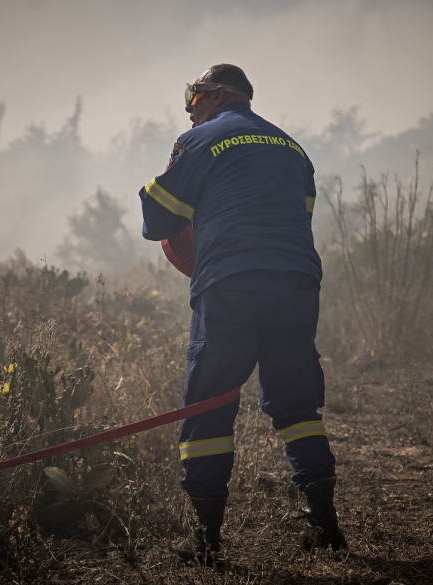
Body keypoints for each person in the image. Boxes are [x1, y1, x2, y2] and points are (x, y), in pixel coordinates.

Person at [138, 64, 346, 565]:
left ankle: (207, 542)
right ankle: (328, 528)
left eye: (193, 101)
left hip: (230, 284)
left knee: (207, 405)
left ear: (215, 96)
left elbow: (156, 219)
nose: (189, 112)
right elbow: (298, 216)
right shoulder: (294, 149)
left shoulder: (201, 140)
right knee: (297, 408)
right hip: (297, 282)